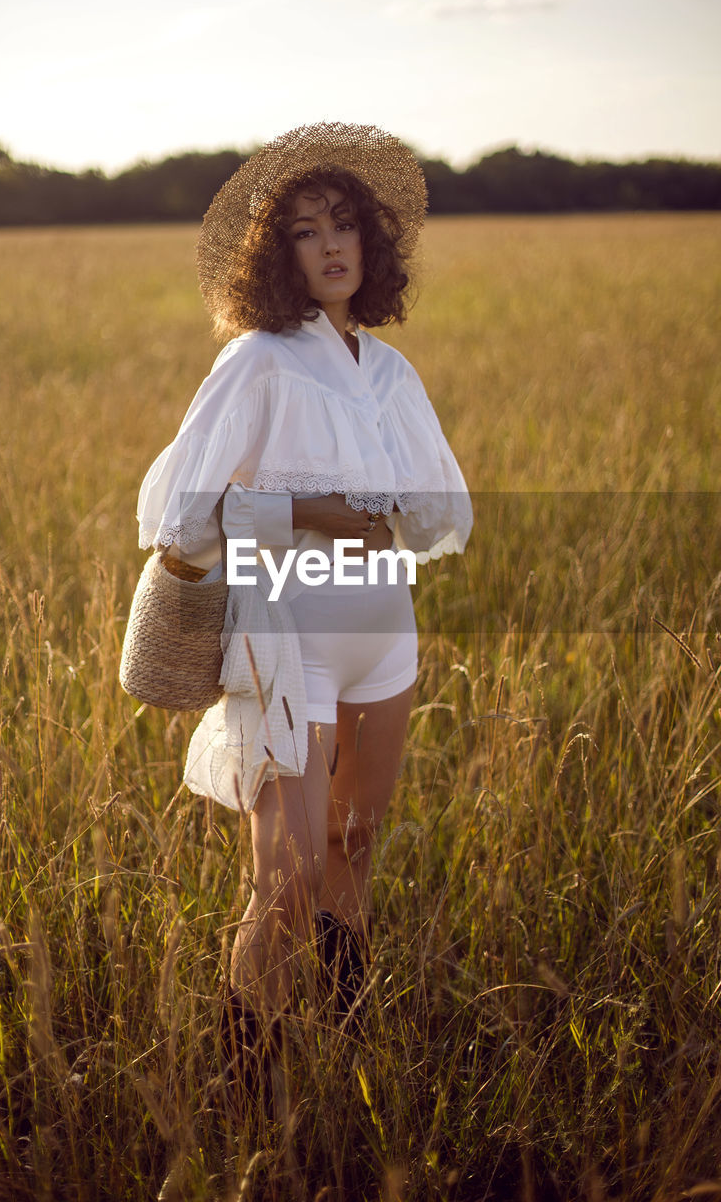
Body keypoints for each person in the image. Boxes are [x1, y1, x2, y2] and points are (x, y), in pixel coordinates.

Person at [135, 122, 472, 1047]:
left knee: (352, 848)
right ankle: (248, 1083)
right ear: (275, 257)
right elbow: (188, 520)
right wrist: (317, 512)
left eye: (343, 225)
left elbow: (439, 517)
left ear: (371, 242)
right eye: (304, 232)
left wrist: (380, 512)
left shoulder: (390, 373)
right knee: (283, 881)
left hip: (383, 634)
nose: (329, 246)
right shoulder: (258, 360)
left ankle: (347, 1047)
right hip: (288, 638)